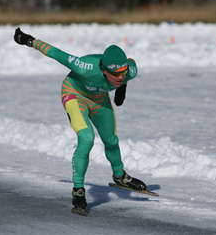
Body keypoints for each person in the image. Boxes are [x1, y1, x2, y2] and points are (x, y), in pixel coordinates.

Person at [14, 28, 147, 211]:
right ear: (103, 70)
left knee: (111, 140)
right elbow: (56, 53)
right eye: (115, 75)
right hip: (74, 94)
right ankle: (78, 189)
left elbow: (131, 62)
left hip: (99, 99)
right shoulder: (85, 66)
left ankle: (120, 176)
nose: (120, 77)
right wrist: (29, 40)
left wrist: (122, 86)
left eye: (123, 73)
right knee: (86, 138)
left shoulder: (129, 71)